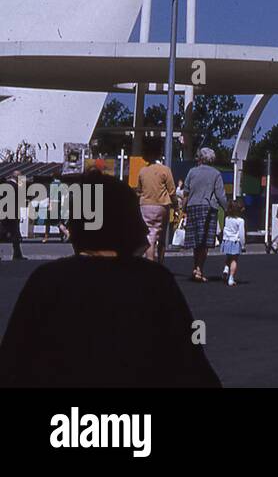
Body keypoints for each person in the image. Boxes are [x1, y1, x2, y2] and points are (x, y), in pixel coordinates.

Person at [0, 172, 220, 387]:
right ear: (130, 226)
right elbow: (194, 368)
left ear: (77, 227)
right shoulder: (155, 282)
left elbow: (12, 363)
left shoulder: (46, 281)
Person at [182, 147, 228, 282]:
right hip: (208, 208)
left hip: (193, 207)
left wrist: (183, 208)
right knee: (206, 241)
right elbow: (220, 194)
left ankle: (195, 268)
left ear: (200, 158)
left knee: (196, 241)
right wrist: (227, 209)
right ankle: (199, 269)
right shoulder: (216, 174)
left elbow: (186, 192)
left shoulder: (192, 172)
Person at [136, 151, 176, 263]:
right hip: (161, 205)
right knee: (162, 234)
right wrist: (176, 205)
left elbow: (139, 190)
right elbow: (172, 191)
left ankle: (150, 260)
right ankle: (160, 260)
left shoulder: (142, 171)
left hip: (145, 205)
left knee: (150, 233)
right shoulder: (165, 170)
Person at [220, 200, 247, 286]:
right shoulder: (240, 221)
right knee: (234, 260)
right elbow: (241, 234)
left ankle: (226, 269)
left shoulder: (227, 218)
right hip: (235, 241)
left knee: (228, 256)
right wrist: (243, 245)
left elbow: (225, 229)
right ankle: (231, 278)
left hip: (227, 240)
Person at [1, 171, 24, 261]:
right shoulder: (16, 187)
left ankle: (17, 254)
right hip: (13, 213)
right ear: (17, 177)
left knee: (2, 232)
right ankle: (17, 254)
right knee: (15, 234)